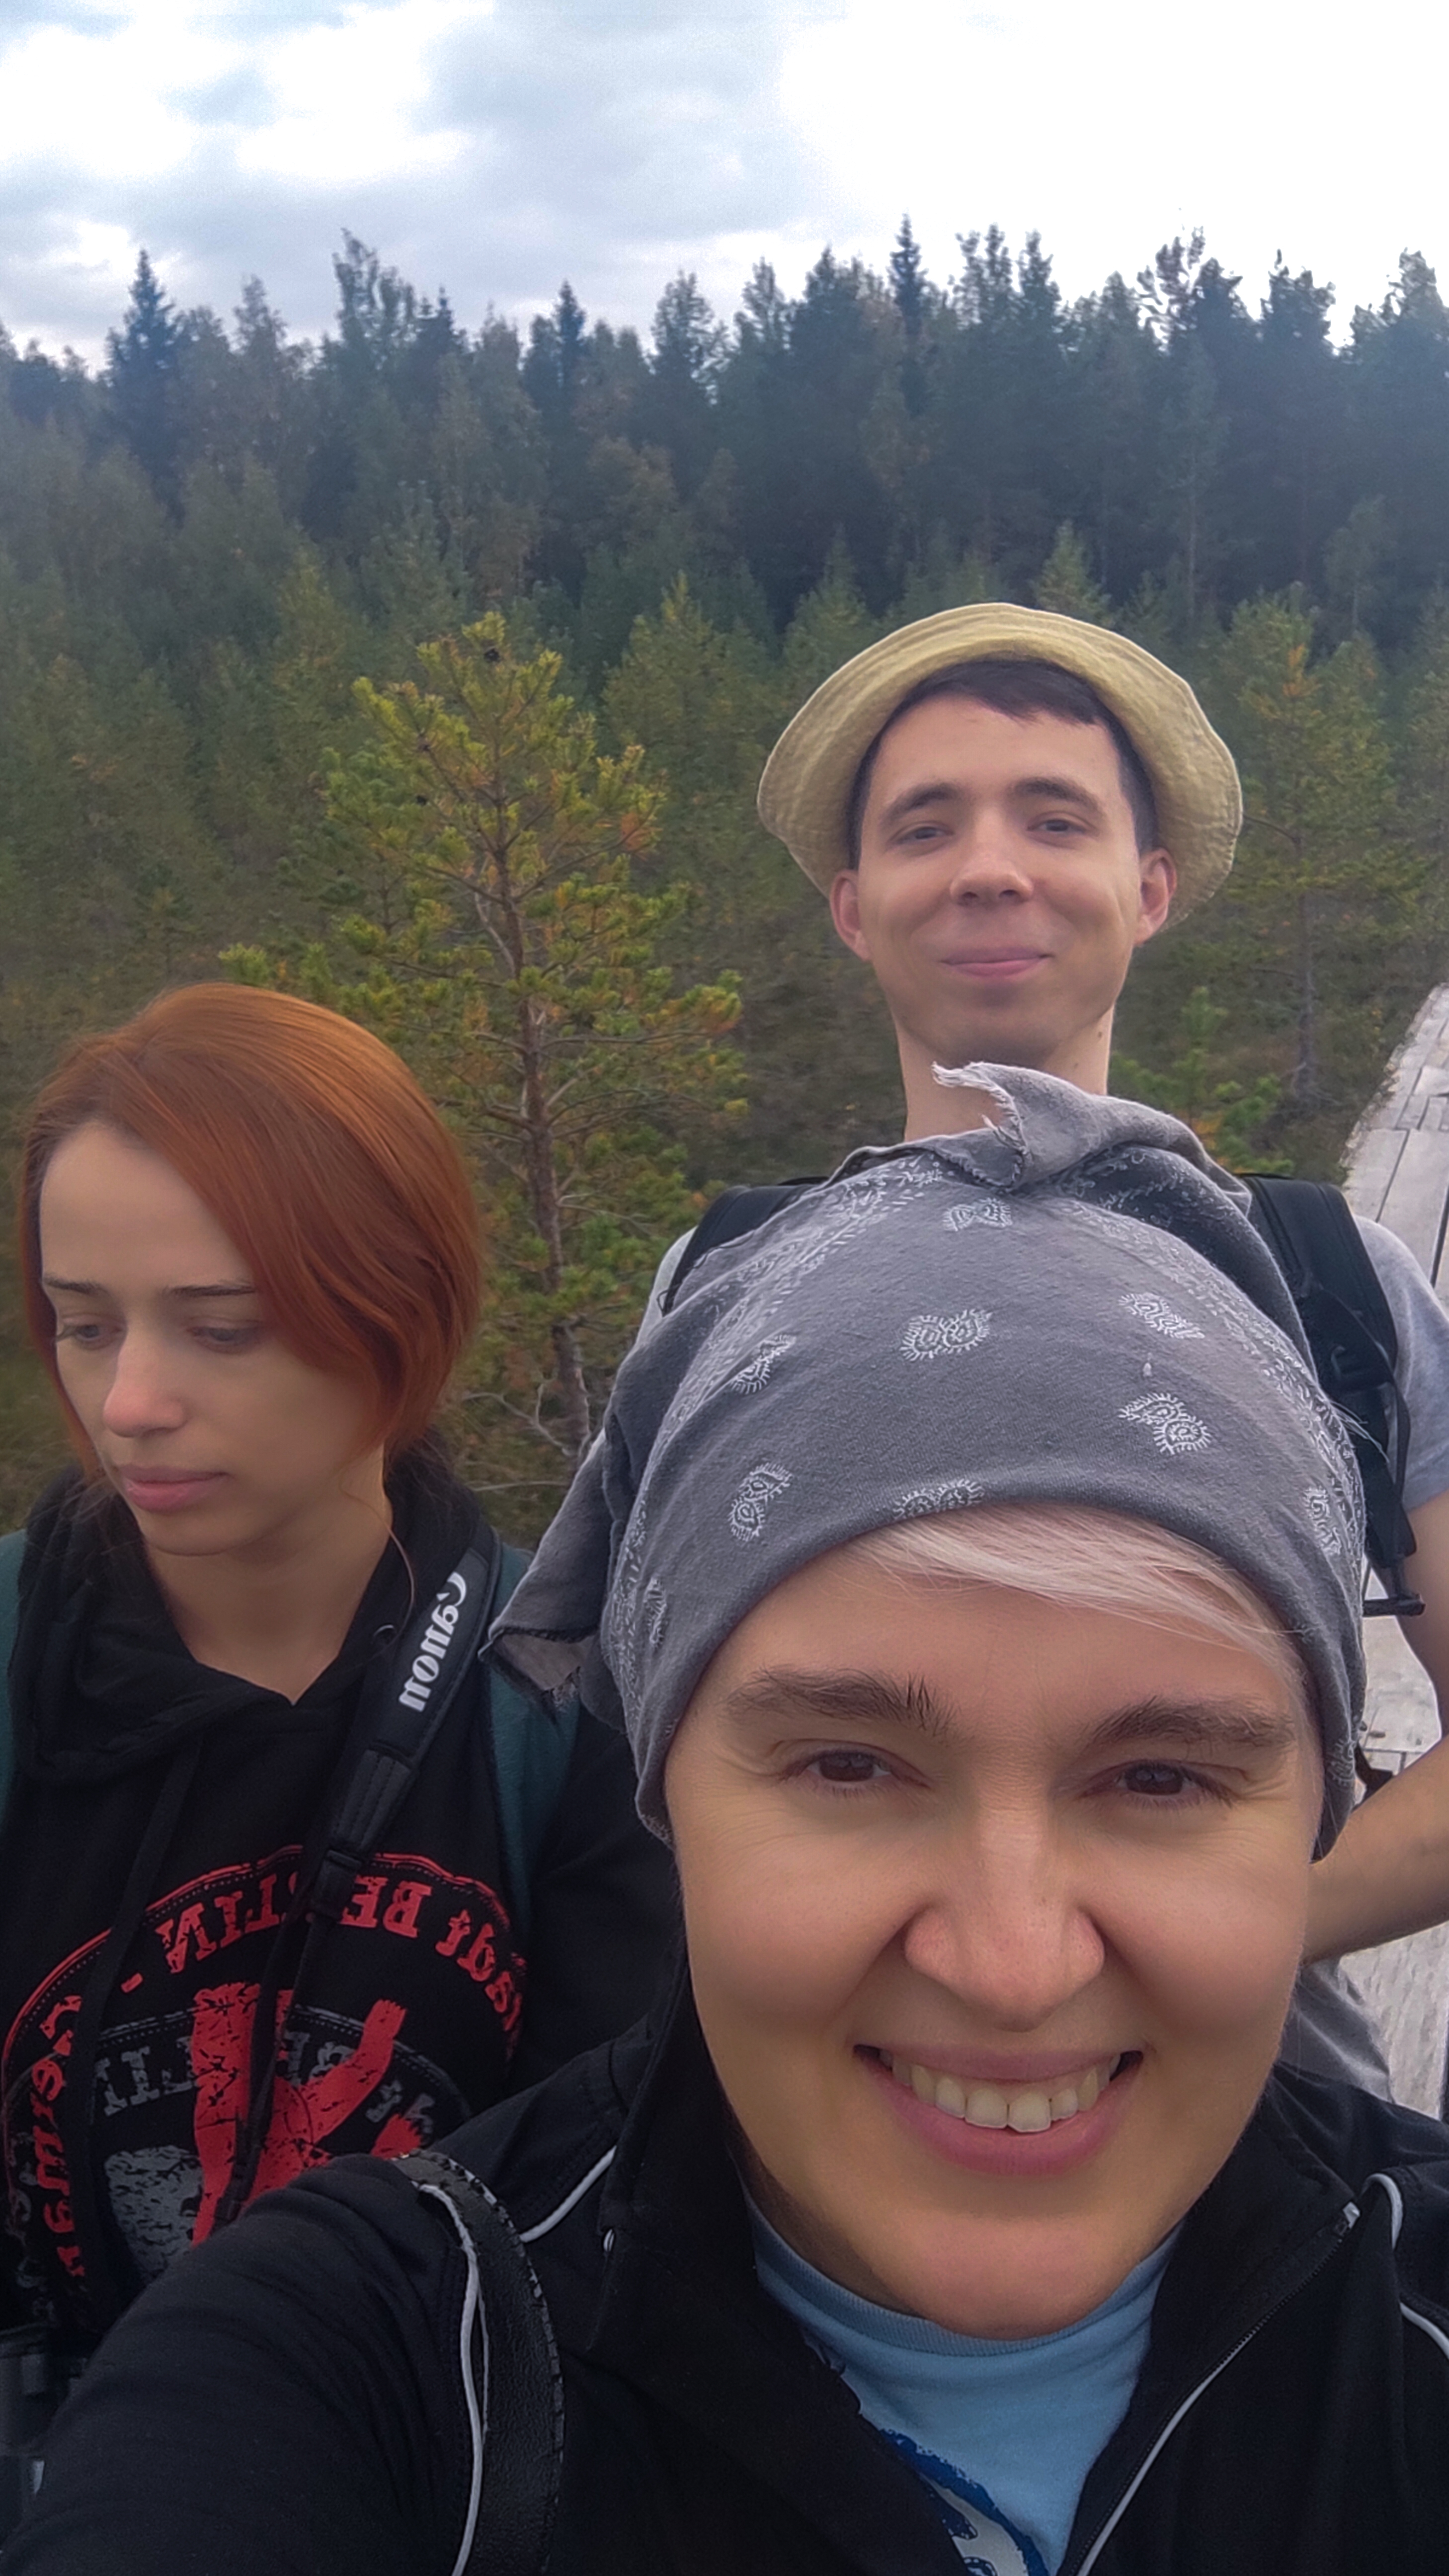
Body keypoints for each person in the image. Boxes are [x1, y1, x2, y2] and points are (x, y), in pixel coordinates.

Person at [12, 1081, 1449, 2576]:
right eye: (849, 1766)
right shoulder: (355, 2371)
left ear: (1314, 1807)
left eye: (1160, 1779)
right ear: (665, 1793)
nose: (1013, 1967)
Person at [747, 606, 1449, 2025]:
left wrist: (1189, 1939)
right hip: (813, 2088)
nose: (990, 868)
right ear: (853, 906)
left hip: (1259, 2115)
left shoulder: (1329, 1284)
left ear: (1149, 888)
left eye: (1054, 821)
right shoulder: (728, 1283)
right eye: (927, 826)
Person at [0, 984, 673, 2385]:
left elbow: (605, 2226)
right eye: (84, 1324)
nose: (128, 1404)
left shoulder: (564, 1705)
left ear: (398, 1313)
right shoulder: (20, 1667)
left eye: (222, 1328)